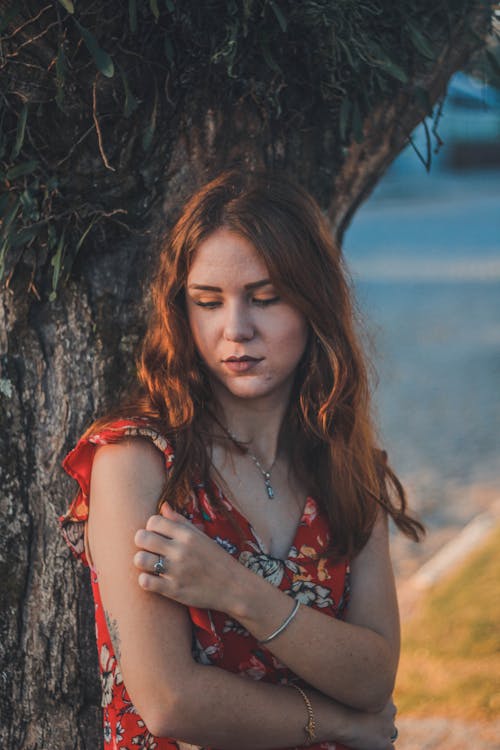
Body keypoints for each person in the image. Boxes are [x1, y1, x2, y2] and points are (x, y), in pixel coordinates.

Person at [60, 170, 424, 750]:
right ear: (184, 313)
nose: (236, 329)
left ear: (313, 305)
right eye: (208, 302)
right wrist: (340, 723)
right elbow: (170, 702)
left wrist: (236, 589)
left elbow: (374, 675)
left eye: (265, 298)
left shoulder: (347, 467)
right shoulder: (136, 461)